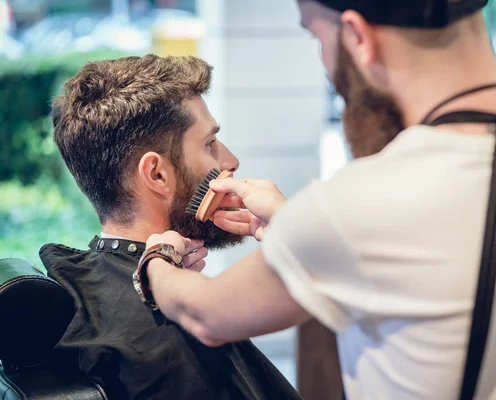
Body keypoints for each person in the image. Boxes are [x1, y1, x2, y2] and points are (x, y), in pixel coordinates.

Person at [138, 1, 496, 399]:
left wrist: (156, 257)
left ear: (358, 36)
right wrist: (292, 226)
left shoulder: (357, 205)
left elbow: (206, 314)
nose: (325, 62)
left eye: (318, 37)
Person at [42, 54, 301, 400]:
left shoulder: (88, 287)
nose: (231, 161)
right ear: (157, 175)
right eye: (210, 144)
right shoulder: (165, 339)